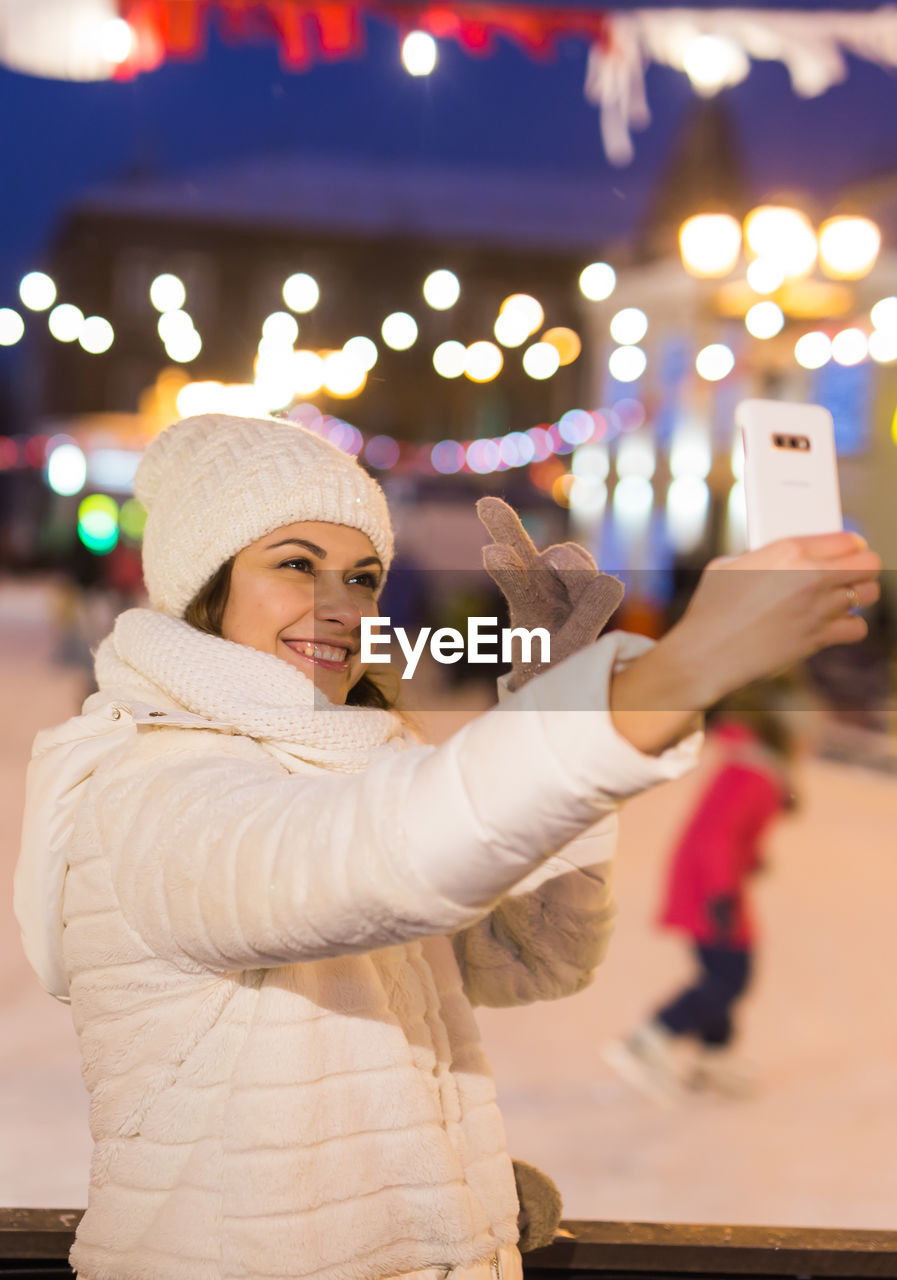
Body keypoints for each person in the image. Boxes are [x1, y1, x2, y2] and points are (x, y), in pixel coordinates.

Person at [14, 413, 880, 1280]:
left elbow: (537, 952)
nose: (340, 607)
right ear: (205, 580)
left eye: (361, 577)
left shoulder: (354, 761)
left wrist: (445, 1201)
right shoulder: (155, 792)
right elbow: (384, 858)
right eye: (294, 565)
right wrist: (681, 668)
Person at [604, 687, 804, 1101]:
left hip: (713, 881)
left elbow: (728, 832)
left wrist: (750, 860)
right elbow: (716, 838)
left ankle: (714, 1057)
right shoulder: (754, 774)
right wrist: (719, 894)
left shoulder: (755, 769)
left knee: (724, 973)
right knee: (730, 975)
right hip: (712, 887)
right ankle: (649, 1037)